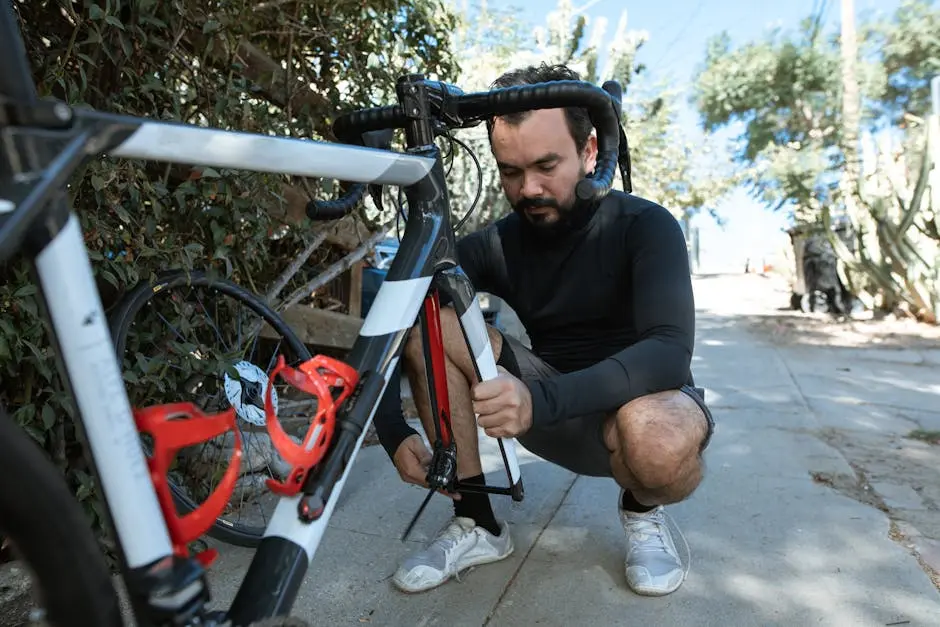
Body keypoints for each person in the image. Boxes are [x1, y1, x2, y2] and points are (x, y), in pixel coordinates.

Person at [373, 62, 715, 598]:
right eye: (510, 171)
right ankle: (477, 521)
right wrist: (392, 430)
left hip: (635, 410)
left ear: (591, 152)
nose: (527, 188)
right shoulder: (499, 242)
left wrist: (542, 400)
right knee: (435, 312)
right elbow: (400, 312)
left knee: (657, 441)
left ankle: (642, 510)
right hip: (551, 410)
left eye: (545, 165)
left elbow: (669, 352)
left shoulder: (647, 225)